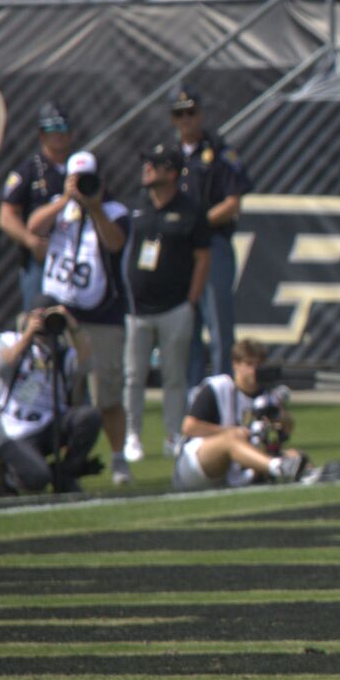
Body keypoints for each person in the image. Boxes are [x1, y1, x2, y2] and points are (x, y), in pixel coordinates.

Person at [29, 152, 130, 486]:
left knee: (107, 395)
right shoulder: (58, 206)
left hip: (101, 315)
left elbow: (116, 244)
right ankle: (68, 466)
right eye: (75, 179)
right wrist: (66, 200)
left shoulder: (115, 211)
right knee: (63, 395)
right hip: (59, 311)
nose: (82, 186)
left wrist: (94, 206)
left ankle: (119, 460)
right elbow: (34, 228)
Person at [122, 142, 210, 474]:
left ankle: (173, 434)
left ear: (172, 172)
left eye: (155, 164)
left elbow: (203, 258)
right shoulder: (136, 205)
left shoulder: (190, 209)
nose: (147, 169)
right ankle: (133, 435)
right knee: (134, 376)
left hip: (175, 307)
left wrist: (191, 300)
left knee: (174, 376)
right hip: (137, 308)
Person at [168, 86, 250, 391]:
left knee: (219, 326)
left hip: (212, 245)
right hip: (179, 250)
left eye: (191, 112)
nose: (186, 119)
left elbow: (233, 203)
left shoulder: (218, 152)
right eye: (179, 114)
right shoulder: (169, 155)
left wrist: (197, 223)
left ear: (201, 114)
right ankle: (191, 398)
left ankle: (223, 394)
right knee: (184, 327)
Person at [0, 298, 103, 495]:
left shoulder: (62, 351)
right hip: (12, 431)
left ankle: (65, 474)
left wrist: (71, 325)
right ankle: (10, 474)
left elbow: (87, 362)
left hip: (48, 426)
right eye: (39, 316)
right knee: (37, 479)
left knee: (89, 417)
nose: (43, 322)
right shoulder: (11, 340)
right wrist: (28, 335)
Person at [173, 340, 313, 491]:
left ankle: (309, 474)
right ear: (235, 364)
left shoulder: (267, 396)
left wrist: (280, 416)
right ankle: (278, 467)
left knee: (295, 455)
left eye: (258, 364)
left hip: (235, 465)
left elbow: (287, 428)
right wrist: (230, 431)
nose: (254, 370)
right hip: (197, 463)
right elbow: (189, 427)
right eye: (249, 364)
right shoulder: (218, 387)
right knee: (232, 439)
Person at [0, 102, 73, 311]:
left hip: (74, 255)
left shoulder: (79, 167)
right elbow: (6, 216)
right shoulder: (29, 170)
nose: (59, 134)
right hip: (42, 258)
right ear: (42, 135)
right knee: (39, 317)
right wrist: (31, 242)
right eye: (52, 129)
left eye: (64, 128)